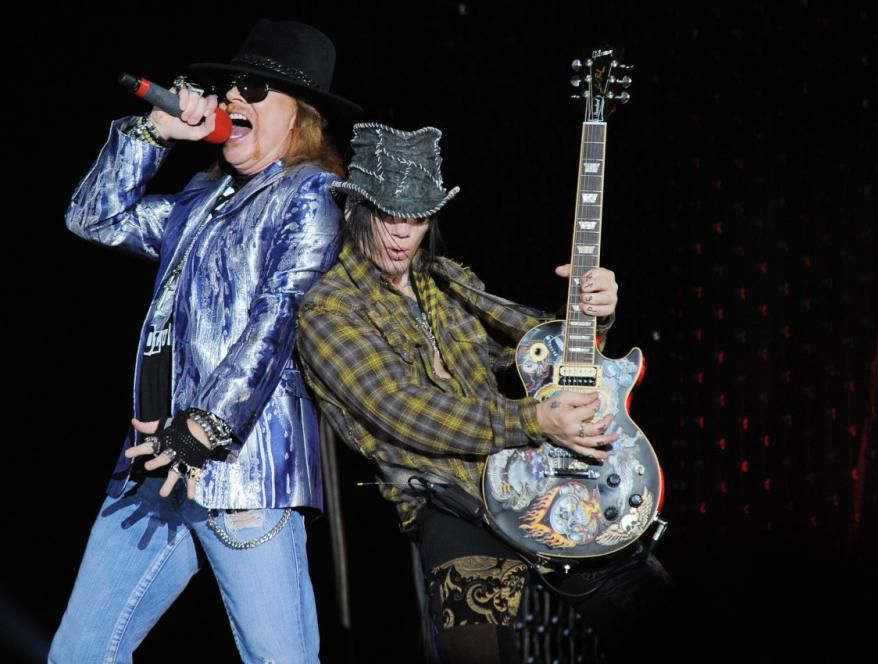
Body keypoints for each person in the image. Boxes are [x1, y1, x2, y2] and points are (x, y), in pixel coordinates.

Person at [297, 123, 671, 663]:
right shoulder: (328, 309)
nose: (403, 232)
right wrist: (533, 420)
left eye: (417, 217)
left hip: (542, 480)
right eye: (388, 214)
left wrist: (592, 312)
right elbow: (406, 411)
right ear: (357, 209)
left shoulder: (445, 279)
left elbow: (540, 347)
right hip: (451, 503)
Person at [49, 19, 360, 663]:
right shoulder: (203, 196)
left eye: (256, 89)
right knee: (79, 654)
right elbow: (93, 217)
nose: (234, 97)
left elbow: (278, 318)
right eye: (231, 86)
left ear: (301, 117)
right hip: (153, 464)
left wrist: (203, 426)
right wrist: (152, 134)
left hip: (241, 473)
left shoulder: (311, 195)